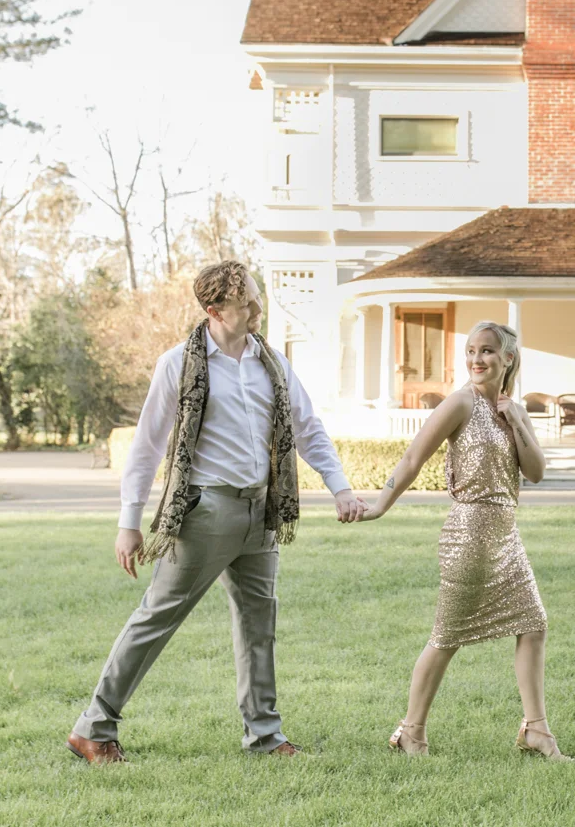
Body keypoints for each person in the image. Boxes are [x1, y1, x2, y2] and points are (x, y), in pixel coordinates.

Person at [67, 260, 365, 764]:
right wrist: (128, 521)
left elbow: (308, 428)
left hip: (261, 512)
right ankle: (92, 729)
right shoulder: (177, 364)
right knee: (156, 618)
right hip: (205, 513)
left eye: (256, 296)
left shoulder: (271, 362)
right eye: (246, 302)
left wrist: (341, 488)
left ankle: (264, 736)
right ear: (215, 311)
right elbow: (147, 446)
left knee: (258, 626)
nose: (257, 308)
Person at [342, 320, 571, 761]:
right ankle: (411, 732)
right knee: (447, 635)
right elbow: (413, 456)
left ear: (508, 358)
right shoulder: (460, 403)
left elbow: (536, 472)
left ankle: (536, 730)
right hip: (468, 535)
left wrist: (516, 420)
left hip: (505, 535)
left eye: (486, 351)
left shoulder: (513, 410)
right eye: (470, 351)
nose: (475, 359)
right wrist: (380, 505)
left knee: (533, 625)